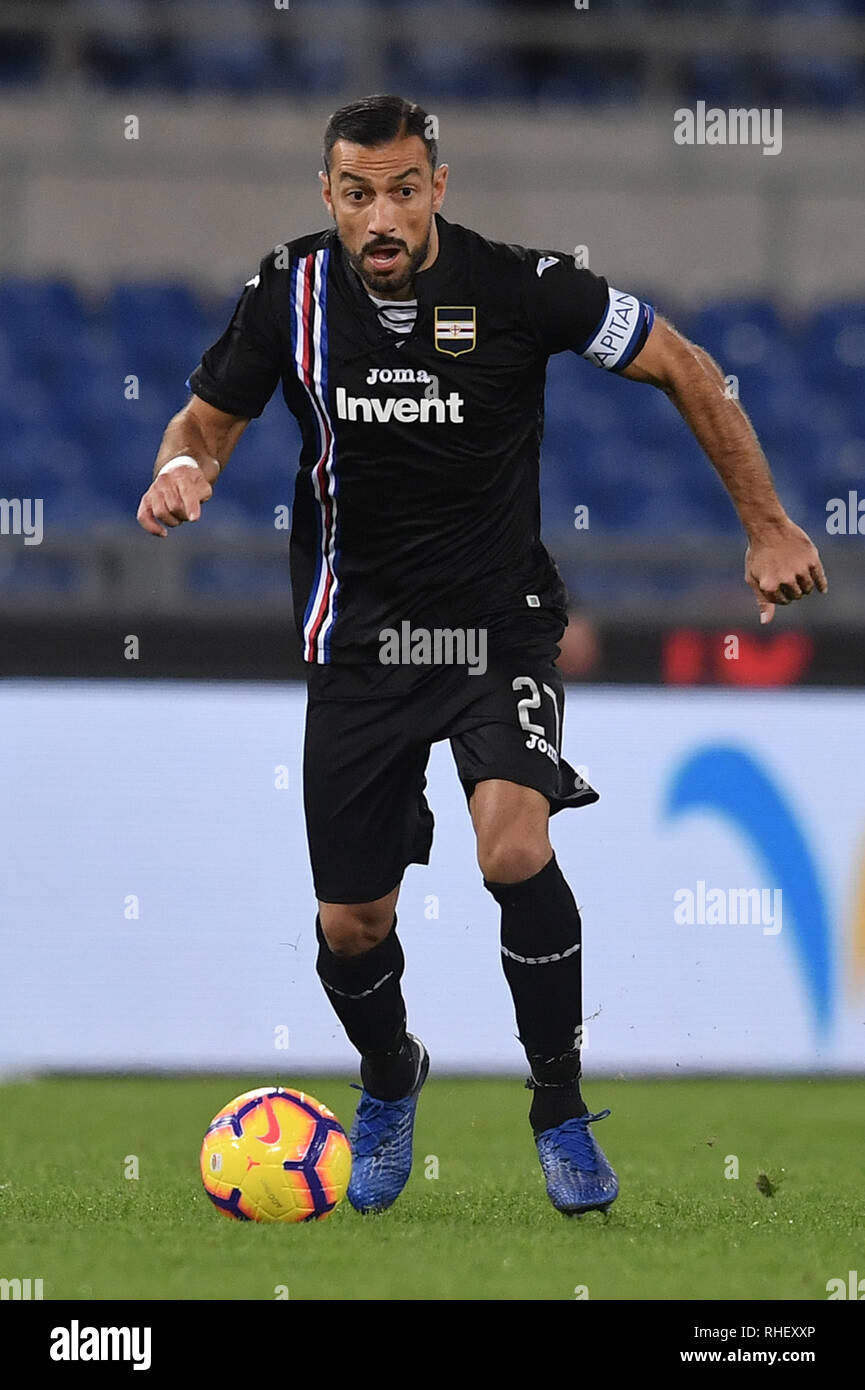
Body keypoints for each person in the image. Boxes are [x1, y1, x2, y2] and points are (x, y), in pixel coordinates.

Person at [137, 95, 827, 1217]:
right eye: (357, 193)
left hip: (496, 627)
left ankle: (557, 1108)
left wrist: (766, 523)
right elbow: (204, 422)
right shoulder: (289, 293)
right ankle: (389, 1074)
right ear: (329, 197)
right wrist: (180, 468)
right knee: (350, 926)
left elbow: (688, 366)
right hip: (359, 641)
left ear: (437, 188)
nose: (382, 215)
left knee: (512, 846)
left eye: (403, 189)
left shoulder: (523, 287)